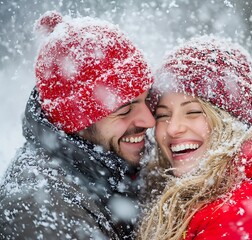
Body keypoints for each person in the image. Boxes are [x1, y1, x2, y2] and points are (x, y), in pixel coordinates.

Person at [138, 37, 252, 239]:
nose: (173, 129)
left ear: (231, 122)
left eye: (194, 112)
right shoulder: (192, 195)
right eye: (163, 115)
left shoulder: (250, 209)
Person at [0, 11, 155, 239]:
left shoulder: (108, 163)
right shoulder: (46, 208)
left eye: (147, 100)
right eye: (125, 110)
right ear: (75, 122)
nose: (149, 120)